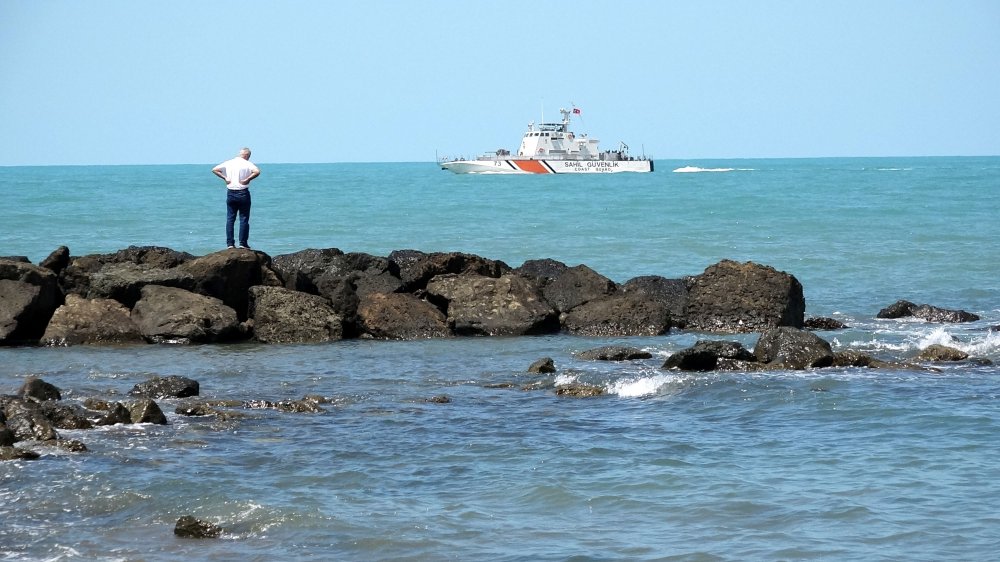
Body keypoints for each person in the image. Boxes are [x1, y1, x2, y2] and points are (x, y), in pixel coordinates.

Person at [212, 148, 261, 249]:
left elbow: (214, 169)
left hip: (231, 193)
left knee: (230, 219)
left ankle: (230, 244)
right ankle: (243, 243)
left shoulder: (229, 162)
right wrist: (247, 179)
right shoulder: (247, 164)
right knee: (243, 219)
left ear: (240, 154)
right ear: (247, 156)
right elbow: (257, 171)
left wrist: (225, 178)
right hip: (243, 193)